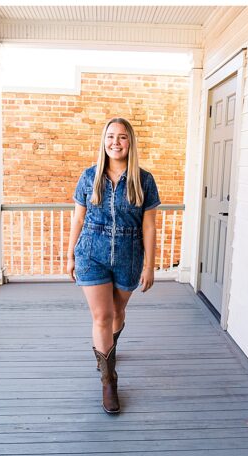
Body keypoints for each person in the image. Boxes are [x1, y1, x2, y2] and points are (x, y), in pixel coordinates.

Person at [67, 118, 160, 414]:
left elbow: (149, 227)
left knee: (118, 312)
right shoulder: (89, 176)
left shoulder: (144, 180)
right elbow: (78, 218)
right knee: (103, 316)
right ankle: (109, 380)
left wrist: (150, 265)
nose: (115, 142)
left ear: (130, 142)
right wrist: (69, 254)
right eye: (110, 136)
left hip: (128, 254)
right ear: (103, 141)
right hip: (91, 252)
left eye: (122, 137)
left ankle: (108, 350)